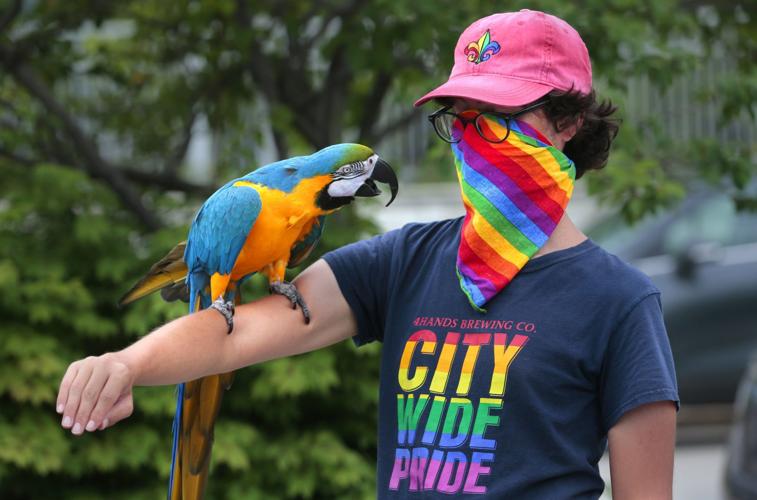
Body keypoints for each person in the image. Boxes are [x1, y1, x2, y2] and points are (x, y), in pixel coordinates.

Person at [56, 9, 678, 499]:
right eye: (459, 119)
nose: (470, 139)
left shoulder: (621, 304)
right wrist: (125, 364)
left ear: (566, 123)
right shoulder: (402, 263)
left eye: (496, 116)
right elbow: (232, 335)